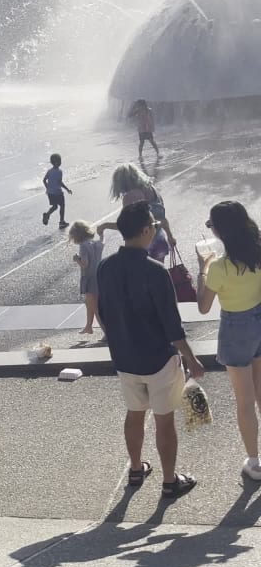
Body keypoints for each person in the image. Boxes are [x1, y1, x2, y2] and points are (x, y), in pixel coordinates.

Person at [97, 201, 203, 498]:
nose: (155, 230)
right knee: (164, 419)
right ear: (145, 230)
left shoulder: (105, 267)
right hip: (158, 358)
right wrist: (191, 359)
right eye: (154, 227)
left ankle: (135, 468)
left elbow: (103, 311)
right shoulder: (155, 271)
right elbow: (172, 324)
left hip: (124, 358)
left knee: (134, 413)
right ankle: (170, 481)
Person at [196, 201, 261, 480]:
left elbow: (202, 306)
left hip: (235, 329)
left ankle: (255, 463)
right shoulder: (258, 252)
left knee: (244, 400)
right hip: (259, 319)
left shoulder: (220, 267)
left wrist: (202, 268)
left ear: (222, 232)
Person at [97, 163, 176, 263]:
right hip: (159, 241)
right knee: (157, 273)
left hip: (143, 245)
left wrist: (104, 226)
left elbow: (127, 225)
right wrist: (170, 236)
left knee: (141, 277)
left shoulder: (131, 196)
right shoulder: (152, 189)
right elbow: (162, 219)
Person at [68, 220, 103, 335]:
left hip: (89, 278)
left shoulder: (83, 246)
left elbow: (85, 264)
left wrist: (76, 259)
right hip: (98, 275)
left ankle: (106, 332)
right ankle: (88, 326)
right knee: (91, 304)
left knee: (94, 306)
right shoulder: (95, 243)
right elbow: (102, 242)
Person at [42, 153, 72, 230]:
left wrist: (47, 188)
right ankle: (61, 222)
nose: (60, 162)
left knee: (55, 206)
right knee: (62, 205)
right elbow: (60, 182)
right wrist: (67, 189)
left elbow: (44, 180)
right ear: (57, 162)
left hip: (50, 193)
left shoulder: (49, 171)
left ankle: (47, 214)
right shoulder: (59, 171)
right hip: (57, 192)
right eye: (60, 161)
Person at [131, 98, 160, 164]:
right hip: (141, 129)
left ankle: (158, 153)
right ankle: (140, 155)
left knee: (152, 141)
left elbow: (152, 120)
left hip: (148, 128)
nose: (138, 106)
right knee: (141, 142)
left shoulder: (149, 110)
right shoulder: (137, 111)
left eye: (139, 105)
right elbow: (130, 115)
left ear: (143, 105)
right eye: (138, 105)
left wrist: (152, 128)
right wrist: (134, 110)